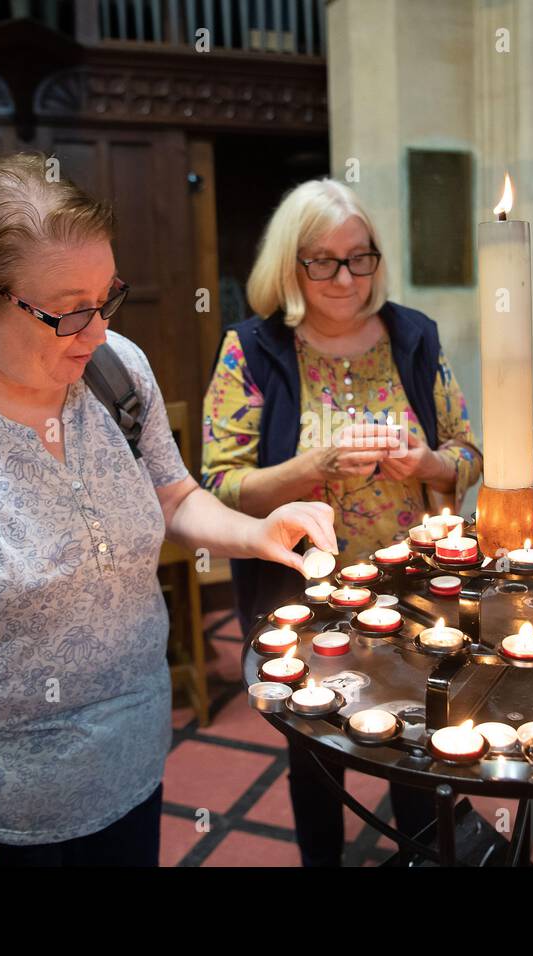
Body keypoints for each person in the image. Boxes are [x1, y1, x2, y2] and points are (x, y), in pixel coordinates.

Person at [0, 153, 337, 867]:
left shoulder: (117, 370)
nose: (96, 333)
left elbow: (173, 496)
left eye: (107, 297)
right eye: (67, 311)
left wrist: (254, 530)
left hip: (133, 756)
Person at [201, 178, 482, 866]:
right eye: (322, 259)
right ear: (289, 265)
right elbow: (220, 485)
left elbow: (469, 454)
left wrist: (429, 465)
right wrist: (314, 465)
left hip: (415, 586)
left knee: (419, 740)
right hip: (304, 593)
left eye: (360, 257)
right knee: (320, 751)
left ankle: (423, 857)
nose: (345, 276)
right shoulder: (253, 349)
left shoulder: (413, 338)